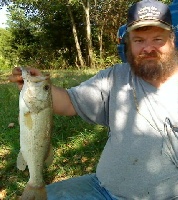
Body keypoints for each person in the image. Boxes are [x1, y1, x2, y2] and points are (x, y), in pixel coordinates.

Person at [9, 0, 178, 199]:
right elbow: (69, 102)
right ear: (129, 44)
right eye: (139, 40)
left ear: (172, 40)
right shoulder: (115, 77)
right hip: (102, 189)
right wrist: (37, 88)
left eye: (158, 39)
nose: (148, 48)